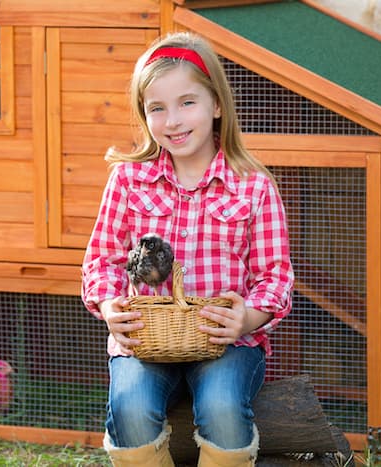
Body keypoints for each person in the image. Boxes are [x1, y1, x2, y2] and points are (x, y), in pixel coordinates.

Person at [81, 31, 294, 467]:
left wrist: (246, 318)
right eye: (157, 108)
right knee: (131, 409)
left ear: (217, 104)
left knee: (221, 407)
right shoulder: (127, 180)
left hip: (226, 343)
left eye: (187, 103)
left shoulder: (254, 186)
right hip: (146, 338)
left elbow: (275, 276)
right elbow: (102, 260)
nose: (173, 121)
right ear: (144, 115)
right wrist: (109, 305)